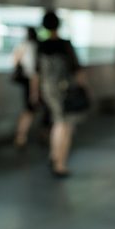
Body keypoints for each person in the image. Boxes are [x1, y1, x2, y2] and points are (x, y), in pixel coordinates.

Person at [34, 11, 87, 177]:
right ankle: (60, 163)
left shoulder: (41, 46)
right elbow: (77, 69)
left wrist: (35, 93)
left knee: (57, 121)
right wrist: (84, 88)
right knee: (65, 125)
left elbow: (36, 73)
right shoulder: (65, 45)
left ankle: (53, 155)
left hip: (48, 90)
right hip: (65, 90)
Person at [11, 27, 38, 148]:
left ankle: (20, 135)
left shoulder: (21, 45)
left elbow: (13, 61)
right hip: (31, 82)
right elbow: (34, 72)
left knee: (28, 109)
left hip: (24, 81)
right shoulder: (33, 47)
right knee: (29, 109)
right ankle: (21, 136)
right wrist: (35, 91)